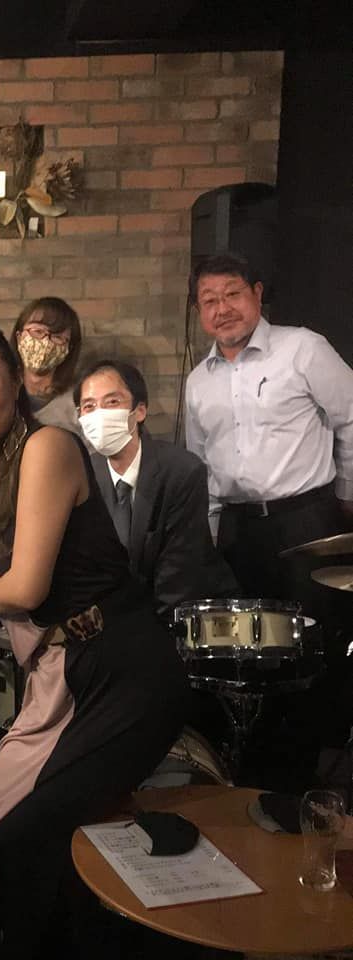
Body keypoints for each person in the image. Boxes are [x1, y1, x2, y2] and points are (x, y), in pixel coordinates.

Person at [0, 313, 186, 957]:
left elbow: (25, 590)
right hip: (66, 669)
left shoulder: (48, 447)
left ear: (15, 379)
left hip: (124, 671)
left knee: (19, 838)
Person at [185, 250, 353, 781]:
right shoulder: (198, 381)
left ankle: (305, 777)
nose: (222, 309)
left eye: (232, 294)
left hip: (304, 519)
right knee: (245, 652)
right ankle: (252, 770)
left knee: (310, 646)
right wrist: (207, 540)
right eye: (209, 300)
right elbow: (200, 466)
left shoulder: (303, 349)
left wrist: (347, 496)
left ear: (257, 293)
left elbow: (352, 418)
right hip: (237, 531)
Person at [76, 359, 237, 616]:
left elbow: (180, 575)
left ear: (139, 411)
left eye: (112, 402)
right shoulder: (81, 476)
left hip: (179, 615)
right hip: (112, 620)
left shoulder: (181, 471)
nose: (100, 414)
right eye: (89, 406)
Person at [11, 296, 82, 433]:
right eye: (37, 332)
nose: (46, 342)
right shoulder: (1, 393)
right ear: (19, 337)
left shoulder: (78, 403)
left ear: (69, 348)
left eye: (57, 337)